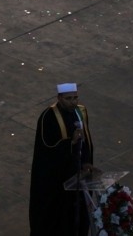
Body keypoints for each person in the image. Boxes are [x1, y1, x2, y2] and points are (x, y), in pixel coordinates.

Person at [29, 83, 94, 236]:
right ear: (59, 98)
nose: (73, 102)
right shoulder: (48, 117)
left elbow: (86, 141)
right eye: (68, 99)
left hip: (77, 175)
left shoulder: (80, 112)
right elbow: (46, 148)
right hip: (56, 179)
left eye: (75, 98)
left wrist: (86, 161)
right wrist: (70, 142)